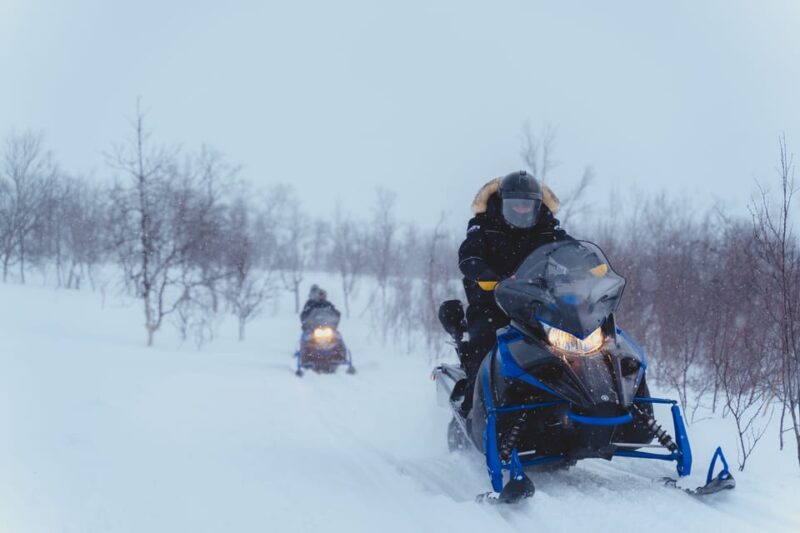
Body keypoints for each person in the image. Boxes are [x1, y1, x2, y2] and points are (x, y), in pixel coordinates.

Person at [457, 171, 572, 414]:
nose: (521, 210)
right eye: (515, 204)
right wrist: (484, 273)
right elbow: (469, 254)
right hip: (491, 305)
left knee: (578, 345)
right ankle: (473, 410)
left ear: (537, 205)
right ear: (502, 203)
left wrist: (590, 266)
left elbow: (569, 248)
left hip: (539, 305)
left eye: (526, 204)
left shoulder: (546, 226)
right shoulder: (483, 225)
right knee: (485, 347)